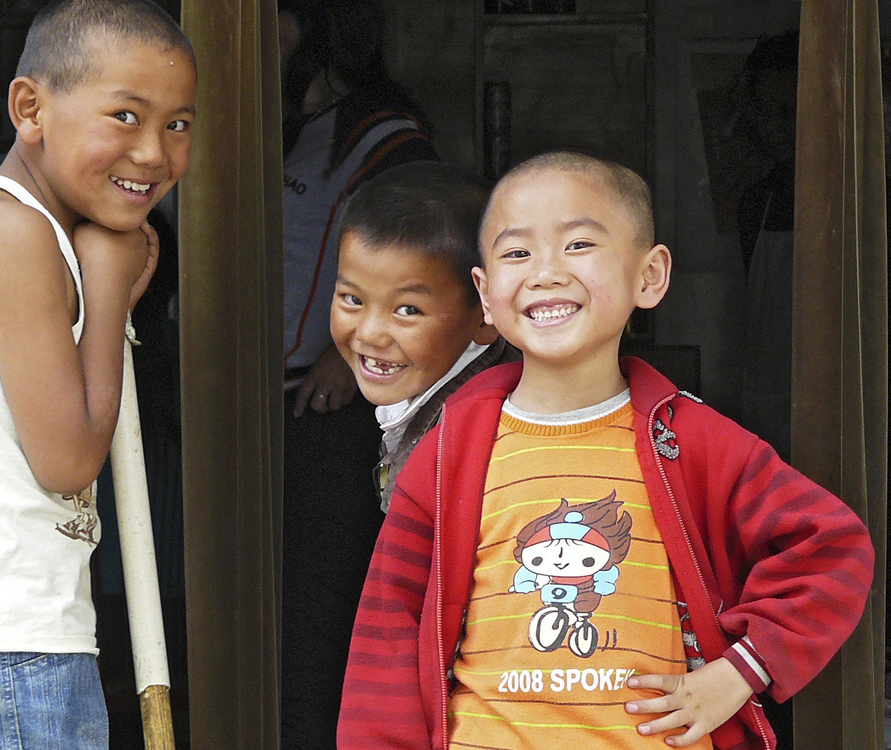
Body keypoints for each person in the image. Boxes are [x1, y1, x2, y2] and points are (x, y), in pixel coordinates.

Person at [337, 151, 874, 749]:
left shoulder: (690, 439)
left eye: (578, 245)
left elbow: (832, 547)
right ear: (485, 295)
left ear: (650, 277)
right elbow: (387, 632)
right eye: (518, 253)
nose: (545, 272)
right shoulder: (451, 452)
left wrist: (740, 673)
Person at [0, 1, 195, 746]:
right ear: (31, 108)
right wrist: (107, 286)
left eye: (178, 123)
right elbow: (66, 460)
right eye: (125, 115)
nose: (154, 152)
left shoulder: (29, 232)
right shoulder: (9, 232)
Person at [279, 1, 437, 748]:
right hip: (248, 401)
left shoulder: (379, 136)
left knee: (318, 617)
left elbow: (420, 256)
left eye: (278, 17)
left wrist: (346, 357)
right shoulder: (274, 124)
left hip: (330, 409)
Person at [330, 160, 515, 512]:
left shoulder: (479, 442)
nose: (369, 334)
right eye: (352, 299)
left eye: (408, 310)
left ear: (485, 315)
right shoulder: (429, 405)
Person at [735, 29, 799, 463]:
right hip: (768, 402)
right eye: (765, 111)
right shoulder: (756, 202)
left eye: (788, 111)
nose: (775, 125)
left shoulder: (865, 203)